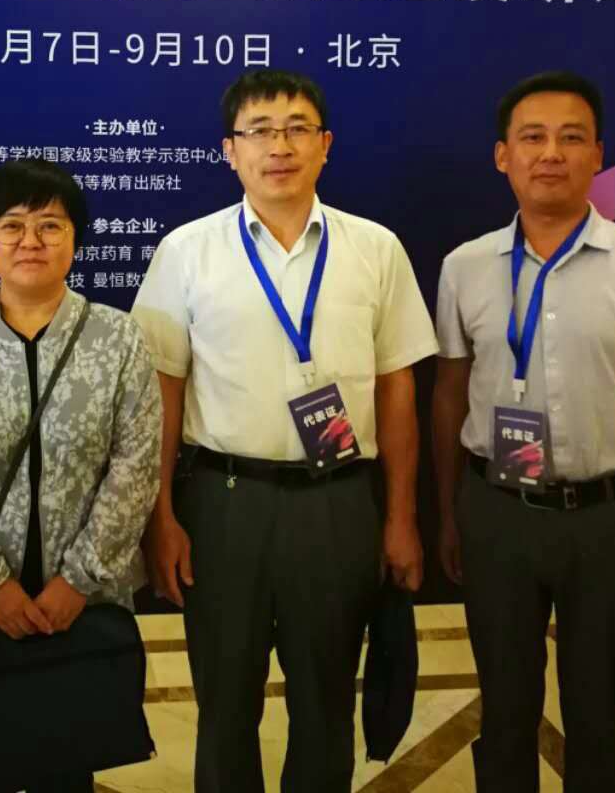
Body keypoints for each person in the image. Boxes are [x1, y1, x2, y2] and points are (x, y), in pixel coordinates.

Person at [132, 68, 438, 793]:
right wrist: (161, 517)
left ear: (325, 145)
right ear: (229, 150)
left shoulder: (376, 249)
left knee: (327, 705)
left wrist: (400, 517)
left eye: (298, 128)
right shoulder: (187, 251)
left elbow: (397, 390)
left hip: (338, 504)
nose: (280, 146)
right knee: (224, 708)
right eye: (260, 131)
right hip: (223, 505)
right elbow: (162, 392)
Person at [432, 70, 615, 792]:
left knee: (598, 719)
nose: (550, 153)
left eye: (571, 138)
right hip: (498, 515)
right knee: (505, 713)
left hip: (613, 522)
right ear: (503, 156)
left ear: (598, 155)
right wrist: (450, 513)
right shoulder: (464, 268)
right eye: (533, 137)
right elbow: (450, 395)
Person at [0, 159, 162, 793]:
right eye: (11, 225)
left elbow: (136, 467)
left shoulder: (118, 339)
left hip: (83, 607)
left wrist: (79, 580)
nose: (30, 241)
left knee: (68, 763)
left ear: (75, 238)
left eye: (50, 225)